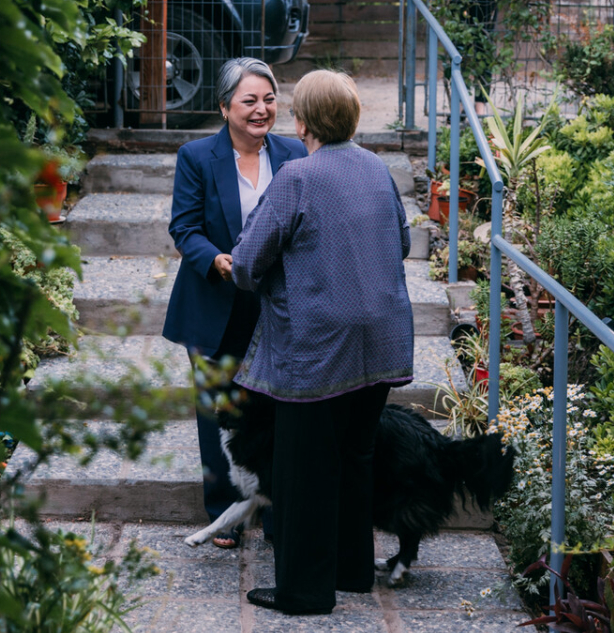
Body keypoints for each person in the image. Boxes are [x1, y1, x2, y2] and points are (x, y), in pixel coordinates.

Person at [230, 69, 414, 614]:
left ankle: (305, 592)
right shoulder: (377, 168)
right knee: (355, 457)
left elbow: (246, 261)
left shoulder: (296, 176)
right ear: (353, 117)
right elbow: (401, 242)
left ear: (302, 120)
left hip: (317, 348)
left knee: (305, 468)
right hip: (380, 341)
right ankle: (351, 570)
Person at [162, 58, 307, 549]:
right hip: (214, 302)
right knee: (217, 409)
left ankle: (273, 509)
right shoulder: (197, 156)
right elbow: (184, 228)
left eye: (269, 99)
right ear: (224, 107)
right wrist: (218, 260)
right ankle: (221, 508)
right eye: (250, 101)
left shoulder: (294, 154)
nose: (262, 109)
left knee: (275, 407)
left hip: (277, 306)